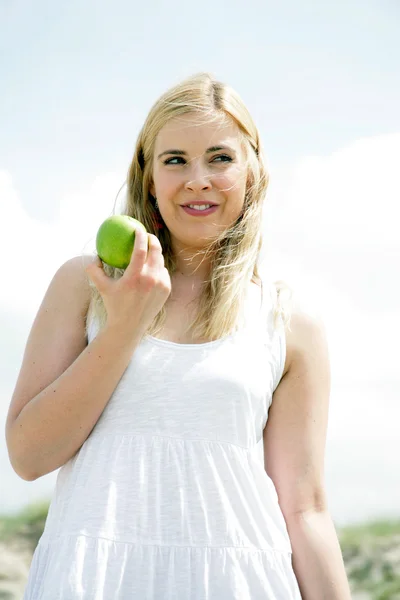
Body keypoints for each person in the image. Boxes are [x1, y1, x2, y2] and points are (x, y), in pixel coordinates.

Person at [5, 73, 352, 599]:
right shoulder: (85, 284)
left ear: (252, 173)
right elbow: (29, 456)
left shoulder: (288, 320)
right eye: (175, 160)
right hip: (96, 579)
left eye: (219, 158)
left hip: (240, 581)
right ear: (148, 178)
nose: (197, 179)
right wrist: (124, 326)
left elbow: (304, 509)